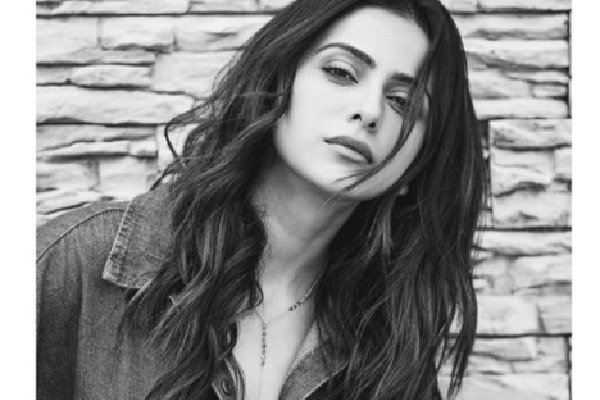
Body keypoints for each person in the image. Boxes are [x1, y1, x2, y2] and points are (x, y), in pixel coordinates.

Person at [36, 0, 485, 399]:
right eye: (341, 72)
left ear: (417, 165)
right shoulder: (76, 263)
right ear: (277, 79)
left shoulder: (390, 351)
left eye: (402, 102)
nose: (370, 111)